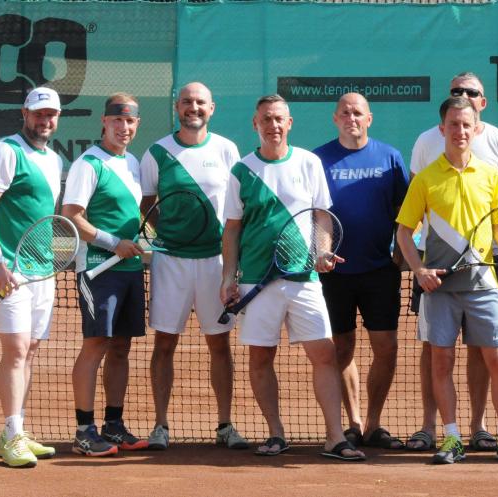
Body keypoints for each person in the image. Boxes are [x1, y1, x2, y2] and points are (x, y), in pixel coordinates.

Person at [220, 94, 365, 461]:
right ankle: (276, 433)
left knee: (324, 354)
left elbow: (321, 217)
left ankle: (335, 437)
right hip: (256, 280)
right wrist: (228, 277)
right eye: (266, 119)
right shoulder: (241, 171)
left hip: (304, 278)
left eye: (279, 119)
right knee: (260, 358)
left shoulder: (308, 162)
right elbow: (232, 229)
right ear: (255, 124)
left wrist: (322, 251)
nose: (273, 125)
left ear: (289, 123)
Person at [396, 96, 498, 465]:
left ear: (476, 129)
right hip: (439, 288)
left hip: (482, 284)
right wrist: (419, 270)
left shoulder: (491, 176)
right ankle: (452, 438)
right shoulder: (425, 179)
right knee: (441, 361)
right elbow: (404, 232)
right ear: (442, 129)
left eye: (466, 125)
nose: (459, 131)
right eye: (453, 125)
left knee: (497, 360)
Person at [141, 82, 247, 450]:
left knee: (220, 344)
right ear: (177, 107)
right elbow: (147, 205)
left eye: (200, 102)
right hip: (170, 262)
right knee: (164, 342)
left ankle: (225, 425)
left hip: (216, 262)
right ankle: (160, 426)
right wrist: (172, 237)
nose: (193, 107)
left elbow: (236, 206)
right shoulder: (156, 152)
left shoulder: (227, 150)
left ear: (212, 108)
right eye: (187, 101)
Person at [312, 93, 409, 450]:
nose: (351, 118)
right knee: (341, 347)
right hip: (334, 272)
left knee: (387, 347)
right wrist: (322, 251)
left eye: (357, 113)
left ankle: (373, 423)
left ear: (369, 118)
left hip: (380, 270)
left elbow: (405, 211)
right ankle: (352, 423)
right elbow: (317, 213)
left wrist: (399, 252)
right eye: (345, 113)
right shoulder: (319, 159)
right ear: (335, 119)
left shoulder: (390, 157)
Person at [0, 87, 62, 467]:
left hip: (42, 270)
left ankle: (16, 431)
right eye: (39, 113)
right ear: (24, 113)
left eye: (51, 114)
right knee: (16, 349)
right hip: (9, 266)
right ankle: (12, 436)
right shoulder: (5, 151)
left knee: (31, 349)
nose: (45, 120)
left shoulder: (54, 160)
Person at [62, 93, 148, 456]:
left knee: (121, 347)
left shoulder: (133, 162)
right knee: (96, 345)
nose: (123, 127)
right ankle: (85, 431)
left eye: (129, 121)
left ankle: (114, 426)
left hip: (129, 270)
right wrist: (113, 243)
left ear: (137, 124)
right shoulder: (88, 164)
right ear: (104, 122)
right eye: (117, 120)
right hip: (98, 270)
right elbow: (72, 216)